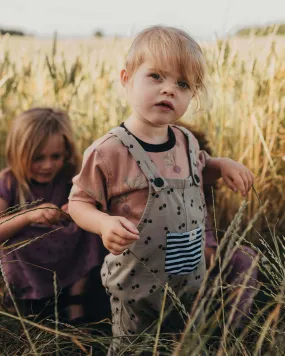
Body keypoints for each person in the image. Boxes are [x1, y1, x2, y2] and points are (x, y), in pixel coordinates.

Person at [68, 26, 254, 353]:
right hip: (138, 288)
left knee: (183, 345)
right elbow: (78, 203)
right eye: (155, 76)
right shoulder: (110, 151)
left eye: (182, 84)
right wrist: (103, 223)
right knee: (134, 348)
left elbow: (197, 171)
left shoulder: (185, 140)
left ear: (192, 95)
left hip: (188, 283)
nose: (169, 89)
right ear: (126, 79)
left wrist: (221, 165)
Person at [0, 108, 106, 324]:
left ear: (66, 153)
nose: (47, 165)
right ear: (18, 153)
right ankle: (23, 302)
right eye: (37, 158)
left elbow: (93, 202)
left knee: (91, 224)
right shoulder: (9, 182)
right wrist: (29, 216)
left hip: (64, 254)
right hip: (29, 262)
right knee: (17, 237)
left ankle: (75, 298)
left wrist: (76, 209)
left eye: (55, 156)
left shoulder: (69, 177)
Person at [181, 122, 258, 329]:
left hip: (199, 268)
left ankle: (235, 331)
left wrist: (205, 252)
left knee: (245, 256)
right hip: (152, 273)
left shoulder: (198, 198)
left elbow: (209, 248)